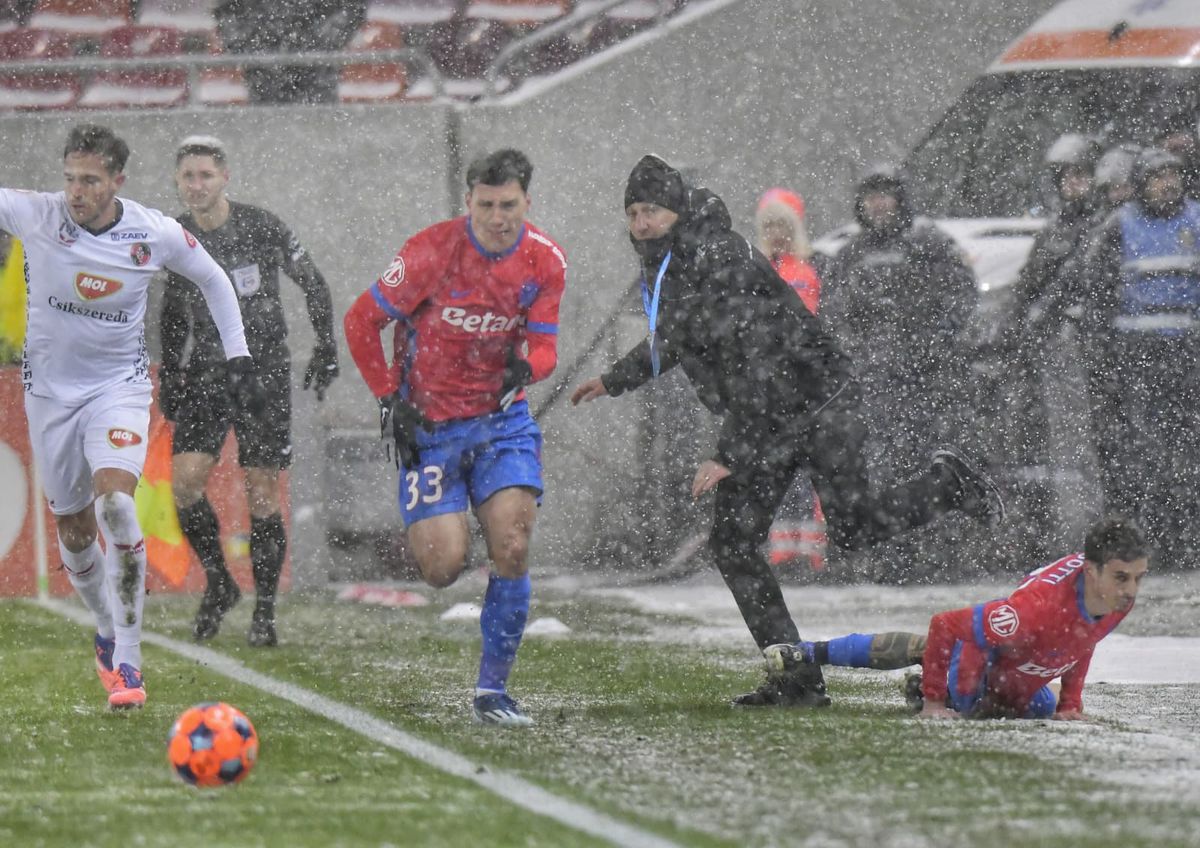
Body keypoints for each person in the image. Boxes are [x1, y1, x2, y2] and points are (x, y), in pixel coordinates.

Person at [571, 154, 1004, 708]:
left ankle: (947, 483)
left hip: (820, 403)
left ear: (677, 209)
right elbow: (680, 336)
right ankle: (796, 677)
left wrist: (726, 453)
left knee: (852, 530)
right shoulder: (675, 261)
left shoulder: (718, 253)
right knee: (733, 543)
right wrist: (614, 379)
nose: (641, 223)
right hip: (774, 414)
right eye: (633, 213)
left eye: (652, 210)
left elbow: (755, 358)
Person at [3, 124, 251, 708]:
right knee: (75, 528)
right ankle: (105, 630)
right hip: (50, 397)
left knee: (116, 503)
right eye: (70, 178)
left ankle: (131, 664)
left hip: (119, 389)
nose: (76, 191)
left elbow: (214, 280)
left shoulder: (152, 232)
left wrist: (238, 354)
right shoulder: (38, 215)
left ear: (118, 180)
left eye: (90, 180)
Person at [343, 149, 565, 727]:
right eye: (486, 205)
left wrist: (528, 369)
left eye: (509, 205)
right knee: (441, 568)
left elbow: (545, 345)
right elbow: (360, 321)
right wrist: (391, 399)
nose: (498, 217)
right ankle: (455, 513)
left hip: (502, 424)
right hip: (432, 428)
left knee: (512, 546)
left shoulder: (545, 261)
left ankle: (493, 691)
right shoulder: (430, 252)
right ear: (468, 202)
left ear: (527, 202)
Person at [159, 135, 339, 647]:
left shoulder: (261, 226)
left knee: (261, 490)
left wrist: (326, 347)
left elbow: (314, 282)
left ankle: (264, 612)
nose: (197, 185)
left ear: (225, 178)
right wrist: (171, 372)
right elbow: (172, 313)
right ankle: (219, 582)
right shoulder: (172, 235)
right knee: (185, 483)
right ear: (177, 180)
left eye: (206, 176)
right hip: (207, 375)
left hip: (262, 375)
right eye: (188, 176)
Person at [765, 516, 1148, 720]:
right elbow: (946, 623)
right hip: (981, 659)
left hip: (1019, 664)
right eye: (1121, 577)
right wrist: (936, 704)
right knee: (945, 665)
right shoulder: (1030, 612)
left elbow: (1084, 637)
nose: (1131, 591)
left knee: (1037, 709)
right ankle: (809, 653)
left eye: (1137, 578)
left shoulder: (1116, 598)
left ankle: (930, 682)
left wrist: (1070, 703)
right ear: (1090, 570)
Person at [820, 164, 978, 578]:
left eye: (886, 194)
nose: (879, 204)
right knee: (881, 467)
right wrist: (860, 351)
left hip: (927, 380)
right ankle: (892, 558)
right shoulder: (850, 256)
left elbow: (961, 297)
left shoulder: (931, 244)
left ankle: (936, 556)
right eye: (871, 196)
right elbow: (833, 316)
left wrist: (933, 340)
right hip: (875, 384)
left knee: (931, 464)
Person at [1079, 147, 1200, 565]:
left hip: (1188, 353)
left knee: (1188, 447)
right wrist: (1105, 360)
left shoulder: (1197, 221)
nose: (1167, 184)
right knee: (1142, 451)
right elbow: (1097, 296)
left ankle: (1187, 536)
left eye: (1173, 175)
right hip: (1137, 357)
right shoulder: (1119, 227)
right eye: (1157, 177)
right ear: (1142, 185)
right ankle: (1151, 537)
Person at [755, 187, 826, 572]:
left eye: (783, 226)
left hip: (805, 380)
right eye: (770, 227)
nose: (777, 234)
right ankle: (782, 551)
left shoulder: (811, 269)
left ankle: (811, 549)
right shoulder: (756, 269)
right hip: (769, 384)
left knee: (807, 466)